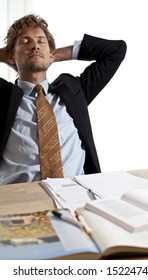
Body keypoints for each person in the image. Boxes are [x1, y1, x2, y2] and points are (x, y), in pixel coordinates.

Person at [0, 14, 127, 184]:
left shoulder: (73, 91)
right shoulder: (3, 96)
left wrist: (56, 54)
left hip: (75, 196)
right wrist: (9, 54)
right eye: (25, 41)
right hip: (21, 198)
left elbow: (116, 51)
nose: (35, 46)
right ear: (10, 57)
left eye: (41, 41)